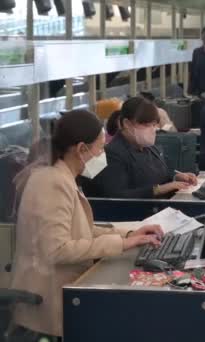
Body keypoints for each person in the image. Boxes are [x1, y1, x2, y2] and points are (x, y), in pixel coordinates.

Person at [9, 110, 164, 339]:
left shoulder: (62, 176)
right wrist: (120, 244)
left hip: (66, 284)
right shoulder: (51, 183)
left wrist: (130, 235)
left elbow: (81, 229)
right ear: (81, 149)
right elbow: (57, 249)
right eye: (100, 148)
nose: (103, 154)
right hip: (49, 299)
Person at [85, 97, 197, 198]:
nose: (152, 129)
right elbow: (118, 194)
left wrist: (176, 178)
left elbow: (160, 175)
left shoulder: (150, 149)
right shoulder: (113, 154)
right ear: (127, 124)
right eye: (146, 125)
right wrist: (158, 190)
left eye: (154, 125)